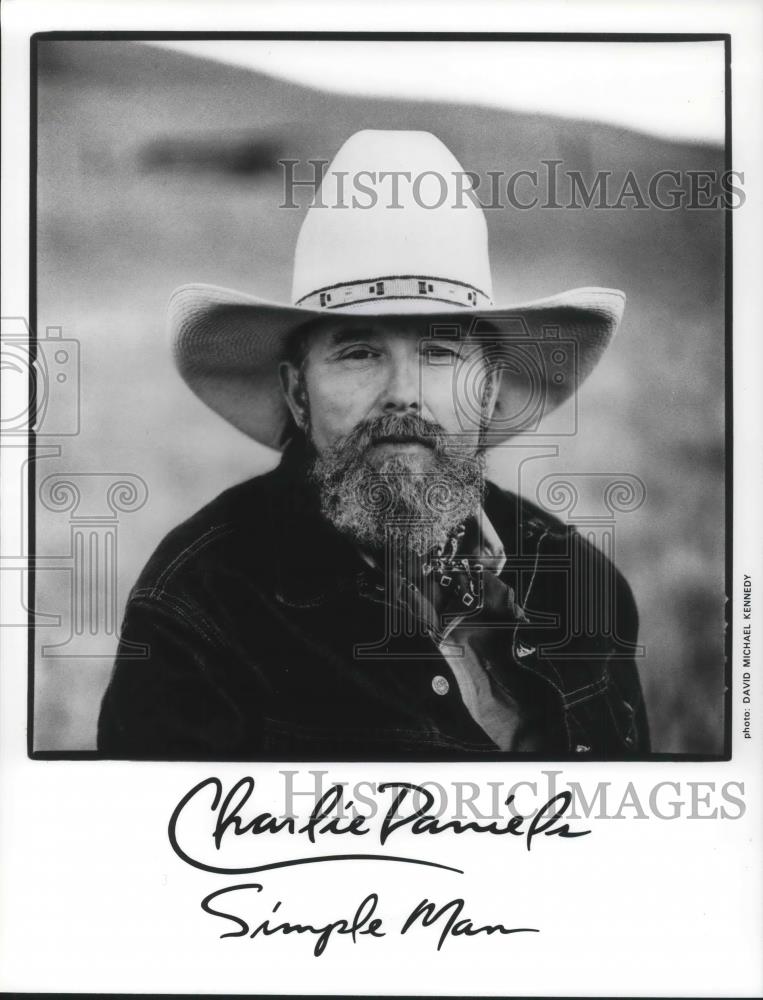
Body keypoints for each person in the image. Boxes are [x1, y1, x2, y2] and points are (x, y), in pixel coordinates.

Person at [97, 129, 650, 759]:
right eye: (359, 351)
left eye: (441, 351)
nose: (403, 395)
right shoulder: (201, 605)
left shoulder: (581, 584)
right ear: (298, 393)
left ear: (490, 386)